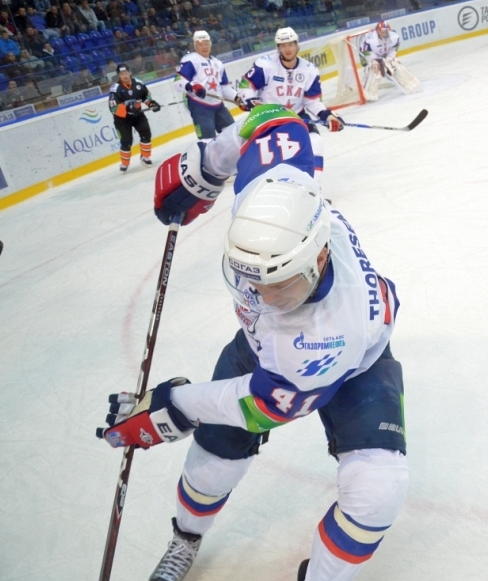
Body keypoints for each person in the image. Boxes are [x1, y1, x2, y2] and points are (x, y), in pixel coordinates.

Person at [97, 104, 409, 581]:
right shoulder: (276, 190)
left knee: (377, 492)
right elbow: (272, 121)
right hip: (269, 355)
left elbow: (261, 407)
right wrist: (208, 167)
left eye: (279, 285)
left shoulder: (322, 334)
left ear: (318, 255)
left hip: (352, 363)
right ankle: (185, 538)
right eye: (250, 278)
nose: (261, 296)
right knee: (212, 463)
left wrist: (175, 405)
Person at [236, 27, 345, 186]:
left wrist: (327, 116)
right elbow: (246, 85)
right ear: (278, 47)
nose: (287, 49)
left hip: (296, 116)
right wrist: (250, 99)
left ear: (297, 45)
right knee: (267, 154)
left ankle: (313, 188)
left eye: (291, 44)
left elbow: (312, 101)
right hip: (269, 116)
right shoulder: (265, 65)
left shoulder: (309, 70)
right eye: (283, 45)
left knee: (316, 142)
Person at [173, 30, 237, 139]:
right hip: (199, 106)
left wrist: (238, 98)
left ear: (210, 44)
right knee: (207, 140)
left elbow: (224, 88)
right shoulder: (191, 60)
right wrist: (192, 86)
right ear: (195, 46)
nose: (204, 47)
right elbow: (178, 82)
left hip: (219, 106)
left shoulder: (218, 63)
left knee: (232, 135)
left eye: (206, 44)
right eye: (200, 45)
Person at [108, 63, 160, 172]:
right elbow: (113, 107)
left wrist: (151, 103)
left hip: (137, 115)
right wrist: (127, 109)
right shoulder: (115, 88)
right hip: (122, 120)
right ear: (119, 75)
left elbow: (145, 96)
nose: (125, 76)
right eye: (122, 74)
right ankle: (125, 163)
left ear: (130, 72)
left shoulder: (138, 83)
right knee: (126, 141)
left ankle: (145, 157)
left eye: (126, 73)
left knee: (146, 133)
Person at [358, 21, 420, 102]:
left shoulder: (394, 37)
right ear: (378, 31)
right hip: (372, 57)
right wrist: (375, 60)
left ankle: (409, 83)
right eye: (382, 32)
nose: (384, 34)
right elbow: (364, 51)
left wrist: (390, 57)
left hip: (385, 56)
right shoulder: (370, 40)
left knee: (395, 64)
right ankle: (369, 92)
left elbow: (395, 47)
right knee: (376, 68)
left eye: (386, 31)